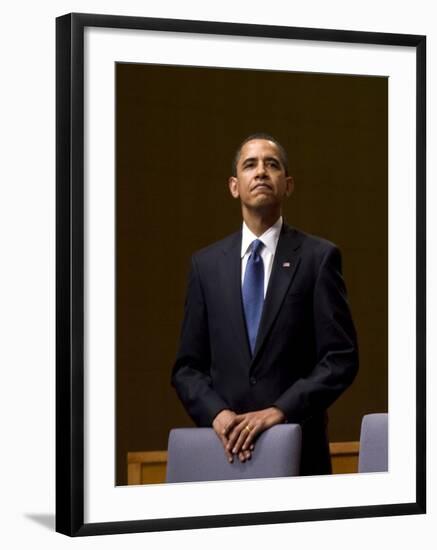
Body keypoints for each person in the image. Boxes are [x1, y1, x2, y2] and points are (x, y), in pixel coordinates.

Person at [171, 133, 359, 475]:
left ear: (287, 185)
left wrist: (279, 410)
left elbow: (341, 359)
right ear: (234, 186)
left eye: (271, 165)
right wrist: (217, 414)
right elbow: (187, 368)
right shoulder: (205, 265)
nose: (260, 172)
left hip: (300, 451)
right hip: (223, 453)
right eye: (250, 165)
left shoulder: (319, 258)